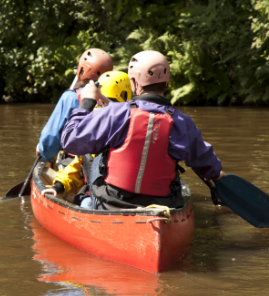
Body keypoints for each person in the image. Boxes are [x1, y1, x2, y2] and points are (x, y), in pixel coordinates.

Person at [60, 50, 225, 210]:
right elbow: (207, 163)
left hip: (113, 202)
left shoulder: (114, 113)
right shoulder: (182, 122)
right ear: (167, 84)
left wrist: (87, 102)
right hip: (164, 204)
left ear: (135, 83)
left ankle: (87, 203)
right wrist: (217, 176)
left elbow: (70, 142)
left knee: (93, 156)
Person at [40, 71, 132, 202]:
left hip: (105, 200)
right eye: (99, 104)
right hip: (105, 198)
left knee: (85, 202)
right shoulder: (134, 126)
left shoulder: (95, 132)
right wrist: (57, 187)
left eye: (103, 104)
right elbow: (76, 169)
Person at [36, 49, 113, 169]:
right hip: (103, 163)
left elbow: (51, 136)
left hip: (74, 164)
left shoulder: (71, 97)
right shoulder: (114, 100)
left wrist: (43, 152)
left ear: (82, 69)